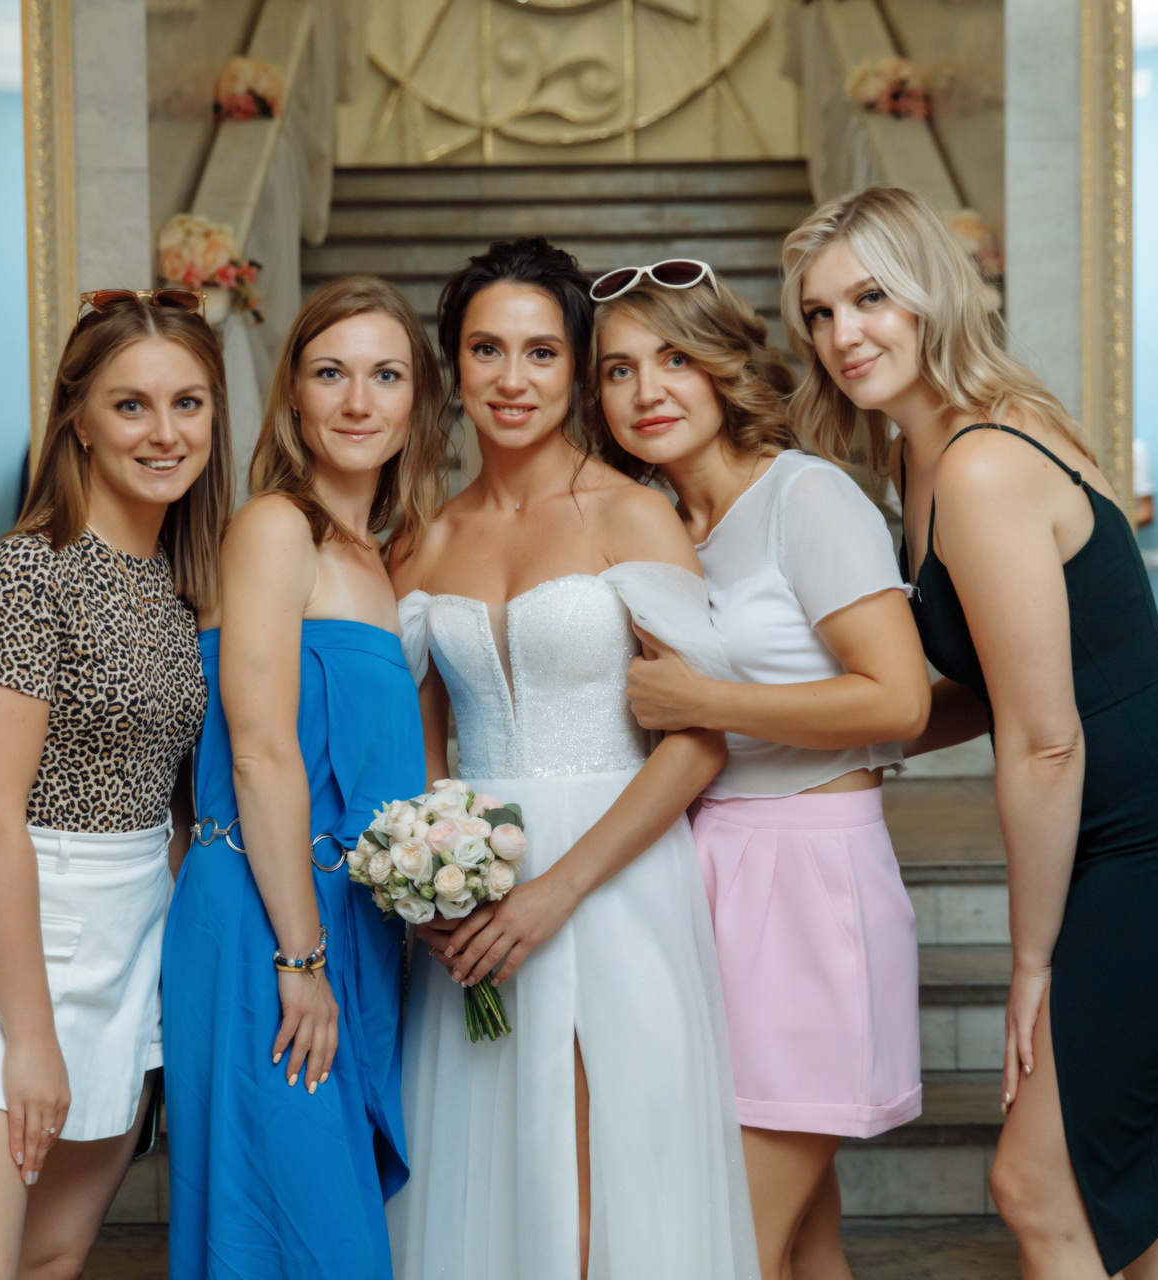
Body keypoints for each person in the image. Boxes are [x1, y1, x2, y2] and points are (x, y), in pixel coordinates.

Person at [789, 187, 1158, 1279]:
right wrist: (844, 741)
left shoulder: (980, 461)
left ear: (931, 293)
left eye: (871, 297)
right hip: (1132, 827)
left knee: (1036, 1181)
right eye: (819, 312)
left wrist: (1029, 960)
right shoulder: (923, 456)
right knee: (1128, 1177)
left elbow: (1048, 739)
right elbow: (1002, 685)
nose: (843, 333)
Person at [389, 237, 757, 1280]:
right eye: (487, 350)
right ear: (454, 366)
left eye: (542, 352)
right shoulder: (427, 537)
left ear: (577, 368)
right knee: (496, 1171)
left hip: (615, 876)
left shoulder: (630, 513)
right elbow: (424, 742)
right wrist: (427, 885)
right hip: (475, 891)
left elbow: (698, 740)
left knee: (605, 1168)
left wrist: (556, 891)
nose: (513, 379)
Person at [0, 288, 229, 1280]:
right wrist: (28, 1035)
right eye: (131, 405)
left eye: (188, 403)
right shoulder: (28, 572)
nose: (165, 432)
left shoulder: (185, 579)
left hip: (128, 940)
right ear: (78, 419)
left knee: (51, 1258)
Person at [591, 261, 929, 1280]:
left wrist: (708, 702)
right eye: (617, 370)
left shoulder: (806, 495)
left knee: (724, 1241)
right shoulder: (656, 516)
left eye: (674, 359)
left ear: (724, 364)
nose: (647, 391)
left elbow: (899, 700)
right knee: (801, 1239)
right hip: (703, 862)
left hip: (809, 876)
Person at [162, 276, 450, 1279]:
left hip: (349, 921)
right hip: (266, 912)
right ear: (292, 394)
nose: (358, 401)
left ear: (418, 400)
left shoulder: (382, 555)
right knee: (296, 1233)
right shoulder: (275, 526)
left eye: (385, 375)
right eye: (331, 374)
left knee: (328, 1222)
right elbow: (260, 749)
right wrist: (299, 957)